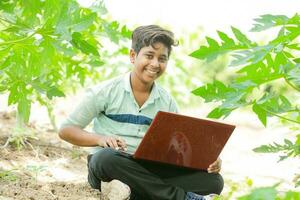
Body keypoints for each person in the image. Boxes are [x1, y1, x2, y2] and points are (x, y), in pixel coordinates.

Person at [59, 25, 223, 200]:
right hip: (113, 164)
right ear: (133, 56)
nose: (155, 64)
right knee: (104, 158)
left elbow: (180, 148)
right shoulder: (106, 91)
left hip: (147, 170)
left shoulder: (166, 101)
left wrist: (208, 160)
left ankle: (127, 191)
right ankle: (183, 198)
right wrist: (100, 139)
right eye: (149, 56)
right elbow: (66, 130)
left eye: (162, 58)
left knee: (213, 181)